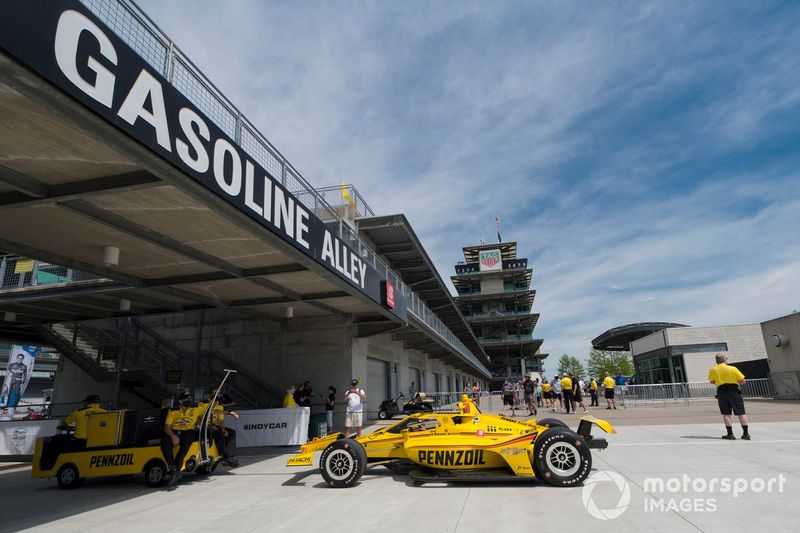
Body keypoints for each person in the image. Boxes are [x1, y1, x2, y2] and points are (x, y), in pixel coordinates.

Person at [162, 391, 204, 484]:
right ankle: (173, 467)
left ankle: (176, 470)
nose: (189, 400)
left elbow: (212, 410)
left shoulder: (197, 407)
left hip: (189, 431)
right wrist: (173, 436)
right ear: (180, 401)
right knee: (165, 442)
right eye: (186, 399)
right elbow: (166, 427)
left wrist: (229, 412)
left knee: (184, 446)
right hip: (175, 431)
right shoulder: (173, 410)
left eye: (190, 398)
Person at [709, 353, 750, 440]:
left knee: (726, 414)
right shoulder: (733, 368)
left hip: (722, 391)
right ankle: (746, 434)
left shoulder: (713, 369)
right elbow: (743, 381)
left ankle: (730, 434)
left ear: (716, 360)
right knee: (741, 413)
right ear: (725, 359)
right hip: (734, 391)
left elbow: (712, 381)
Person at [208, 389, 240, 467]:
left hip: (215, 425)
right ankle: (225, 456)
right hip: (205, 426)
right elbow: (212, 411)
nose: (215, 400)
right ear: (209, 396)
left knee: (231, 432)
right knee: (218, 433)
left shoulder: (219, 405)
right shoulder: (204, 403)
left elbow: (220, 420)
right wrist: (229, 412)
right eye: (214, 395)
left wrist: (223, 430)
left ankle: (229, 457)